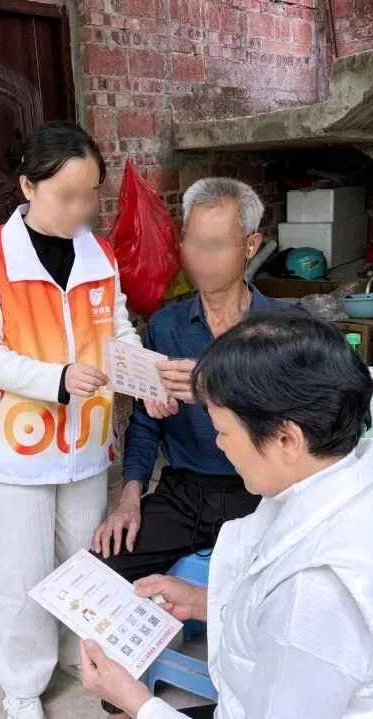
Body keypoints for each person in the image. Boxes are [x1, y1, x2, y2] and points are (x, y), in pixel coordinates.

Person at [80, 310, 373, 719]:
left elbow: (302, 622)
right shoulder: (368, 484)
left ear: (288, 440)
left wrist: (136, 701)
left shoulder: (317, 592)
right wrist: (205, 602)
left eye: (224, 431)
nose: (219, 445)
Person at [0, 121, 141, 719]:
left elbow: (118, 332)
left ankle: (70, 653)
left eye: (90, 196)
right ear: (28, 187)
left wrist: (145, 377)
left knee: (80, 562)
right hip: (18, 449)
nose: (80, 210)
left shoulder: (99, 253)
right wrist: (55, 379)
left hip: (86, 441)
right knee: (22, 573)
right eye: (67, 196)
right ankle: (22, 684)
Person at [92, 178, 275, 582]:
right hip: (185, 495)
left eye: (217, 245)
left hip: (264, 494)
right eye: (192, 242)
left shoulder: (284, 329)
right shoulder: (165, 326)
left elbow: (299, 421)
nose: (201, 259)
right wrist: (129, 498)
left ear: (250, 245)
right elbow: (145, 423)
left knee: (277, 591)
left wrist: (213, 389)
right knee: (98, 574)